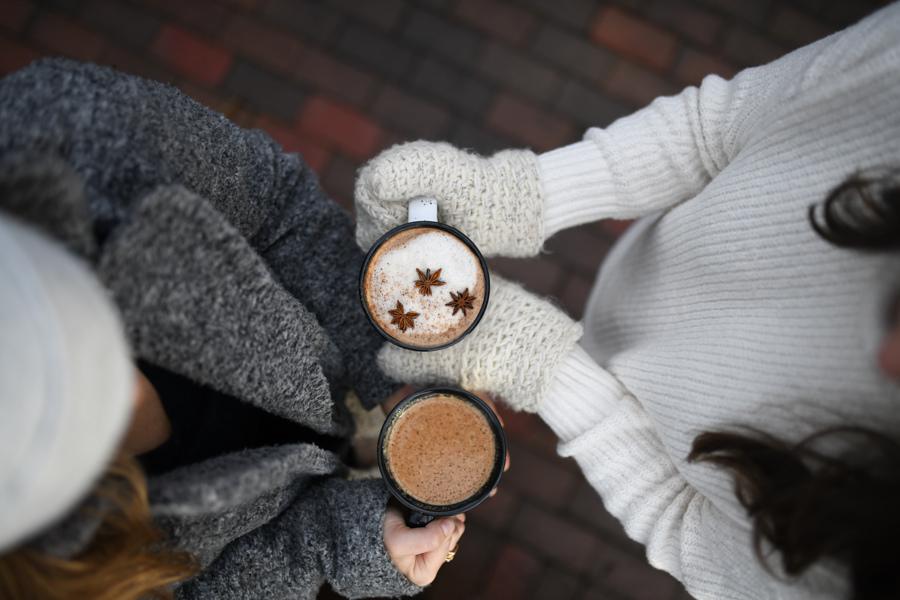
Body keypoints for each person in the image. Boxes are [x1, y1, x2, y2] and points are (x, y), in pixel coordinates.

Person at [354, 3, 900, 599]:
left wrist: (539, 364)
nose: (882, 355)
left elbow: (679, 516)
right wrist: (523, 195)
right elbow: (715, 130)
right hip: (646, 269)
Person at [0, 59, 464, 600]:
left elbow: (277, 207)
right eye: (82, 418)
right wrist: (348, 542)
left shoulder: (58, 128)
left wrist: (390, 361)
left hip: (338, 385)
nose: (131, 389)